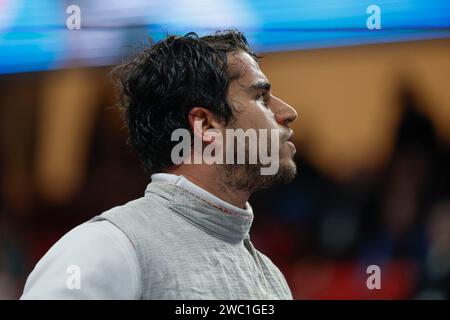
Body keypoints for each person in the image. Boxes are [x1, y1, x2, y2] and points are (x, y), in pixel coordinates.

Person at [21, 29, 298, 299]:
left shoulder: (270, 278)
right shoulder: (108, 248)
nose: (287, 112)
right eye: (260, 97)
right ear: (205, 124)